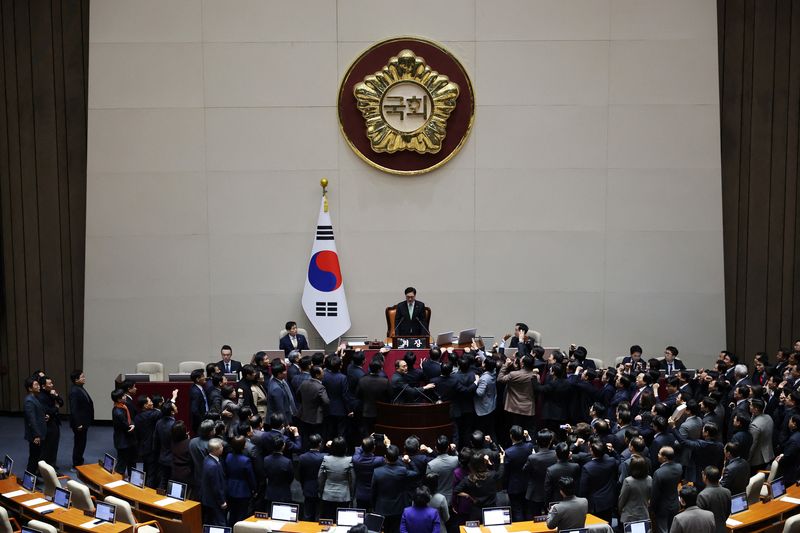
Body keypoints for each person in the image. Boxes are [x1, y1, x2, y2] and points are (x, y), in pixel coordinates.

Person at [372, 445, 420, 533]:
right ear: (398, 457)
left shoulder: (377, 472)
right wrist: (409, 461)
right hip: (398, 508)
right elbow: (416, 473)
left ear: (385, 457)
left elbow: (373, 492)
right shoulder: (402, 471)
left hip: (382, 508)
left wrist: (374, 507)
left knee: (384, 530)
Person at [452, 450, 505, 522]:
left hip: (476, 511)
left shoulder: (468, 479)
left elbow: (456, 490)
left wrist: (468, 496)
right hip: (491, 509)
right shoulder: (492, 475)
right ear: (484, 463)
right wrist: (501, 460)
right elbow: (500, 473)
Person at [578, 439, 618, 523]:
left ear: (592, 452)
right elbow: (619, 461)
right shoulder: (611, 461)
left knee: (596, 526)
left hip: (595, 504)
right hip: (609, 500)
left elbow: (583, 489)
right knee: (608, 524)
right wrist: (613, 451)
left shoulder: (587, 467)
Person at [497, 355, 537, 434]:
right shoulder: (535, 376)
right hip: (528, 408)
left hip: (514, 407)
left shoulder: (513, 374)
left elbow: (500, 379)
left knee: (515, 431)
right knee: (527, 431)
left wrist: (505, 365)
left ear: (522, 364)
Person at [318, 436, 355, 519]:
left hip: (327, 494)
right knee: (341, 521)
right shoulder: (349, 460)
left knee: (328, 521)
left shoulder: (326, 459)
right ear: (345, 448)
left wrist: (321, 491)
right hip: (344, 496)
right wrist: (352, 495)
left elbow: (320, 477)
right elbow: (352, 480)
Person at [524, 429, 557, 516]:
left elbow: (525, 471)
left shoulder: (532, 458)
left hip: (535, 493)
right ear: (550, 441)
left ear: (537, 441)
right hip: (552, 492)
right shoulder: (556, 454)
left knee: (534, 518)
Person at [505, 425, 534, 521]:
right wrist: (527, 437)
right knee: (528, 510)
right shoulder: (529, 446)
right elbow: (530, 443)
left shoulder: (508, 452)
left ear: (511, 436)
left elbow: (507, 471)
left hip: (514, 485)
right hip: (528, 484)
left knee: (517, 511)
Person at [225, 436, 256, 526]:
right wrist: (254, 489)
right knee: (241, 515)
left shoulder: (228, 456)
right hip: (243, 491)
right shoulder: (246, 460)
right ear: (243, 446)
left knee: (232, 513)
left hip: (230, 488)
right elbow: (250, 477)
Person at [651, 446, 682, 533]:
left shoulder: (658, 473)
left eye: (659, 453)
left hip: (662, 507)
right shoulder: (679, 467)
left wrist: (652, 508)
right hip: (675, 504)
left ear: (664, 458)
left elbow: (655, 494)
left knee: (662, 530)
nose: (657, 455)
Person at [68, 369, 93, 471]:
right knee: (79, 443)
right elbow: (74, 409)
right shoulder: (74, 391)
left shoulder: (79, 388)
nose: (84, 378)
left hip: (83, 422)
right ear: (76, 380)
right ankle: (76, 464)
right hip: (79, 423)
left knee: (82, 443)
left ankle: (79, 461)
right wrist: (78, 423)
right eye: (82, 377)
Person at [298, 433, 327, 520]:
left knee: (307, 515)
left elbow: (300, 475)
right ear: (320, 444)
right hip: (321, 488)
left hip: (307, 487)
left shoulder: (302, 457)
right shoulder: (324, 457)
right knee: (319, 515)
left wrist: (304, 485)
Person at [298, 366, 330, 444]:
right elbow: (326, 402)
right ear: (317, 375)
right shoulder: (320, 387)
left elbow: (298, 395)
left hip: (304, 416)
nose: (324, 374)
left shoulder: (304, 383)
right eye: (322, 373)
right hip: (316, 418)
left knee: (306, 437)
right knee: (318, 438)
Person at [618, 454, 652, 527]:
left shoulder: (628, 481)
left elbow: (622, 499)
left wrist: (620, 510)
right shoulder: (649, 479)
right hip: (644, 513)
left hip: (630, 515)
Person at [23, 376, 48, 474]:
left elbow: (36, 414)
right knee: (33, 458)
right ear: (30, 388)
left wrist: (43, 416)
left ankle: (33, 478)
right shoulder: (29, 400)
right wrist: (36, 435)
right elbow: (31, 420)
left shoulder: (34, 398)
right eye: (36, 385)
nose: (39, 386)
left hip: (38, 433)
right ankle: (29, 481)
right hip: (35, 435)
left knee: (36, 457)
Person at [38, 375, 63, 468]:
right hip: (48, 426)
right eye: (50, 384)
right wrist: (56, 408)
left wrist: (56, 396)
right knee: (49, 446)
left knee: (54, 445)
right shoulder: (41, 397)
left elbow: (61, 402)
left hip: (54, 422)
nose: (52, 385)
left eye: (52, 383)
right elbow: (48, 410)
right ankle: (47, 467)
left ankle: (52, 464)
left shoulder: (51, 393)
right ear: (43, 386)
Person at [201, 438, 227, 526]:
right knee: (220, 523)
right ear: (216, 450)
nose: (223, 447)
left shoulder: (207, 459)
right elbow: (216, 486)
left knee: (210, 521)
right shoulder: (213, 466)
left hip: (208, 498)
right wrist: (222, 502)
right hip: (214, 500)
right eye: (221, 447)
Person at [697, 466, 731, 533]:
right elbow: (728, 511)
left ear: (705, 477)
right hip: (723, 529)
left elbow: (700, 519)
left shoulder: (702, 495)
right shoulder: (727, 492)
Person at [111, 388, 136, 476]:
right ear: (119, 399)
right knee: (122, 465)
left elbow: (129, 419)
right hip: (123, 442)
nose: (125, 397)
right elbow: (127, 426)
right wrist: (133, 426)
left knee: (130, 462)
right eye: (124, 396)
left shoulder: (121, 406)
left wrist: (132, 423)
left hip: (124, 440)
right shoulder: (118, 412)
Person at [189, 368, 208, 434]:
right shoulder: (195, 392)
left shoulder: (200, 387)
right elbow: (194, 410)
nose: (204, 377)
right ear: (197, 379)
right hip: (199, 423)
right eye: (203, 376)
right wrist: (202, 421)